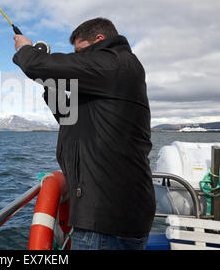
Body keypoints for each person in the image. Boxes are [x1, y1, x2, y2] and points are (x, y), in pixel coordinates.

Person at [12, 17, 155, 250]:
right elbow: (66, 115)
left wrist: (27, 50)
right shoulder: (107, 76)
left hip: (106, 218)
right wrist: (50, 77)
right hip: (112, 213)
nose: (78, 58)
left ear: (100, 40)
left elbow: (37, 66)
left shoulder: (115, 62)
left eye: (80, 51)